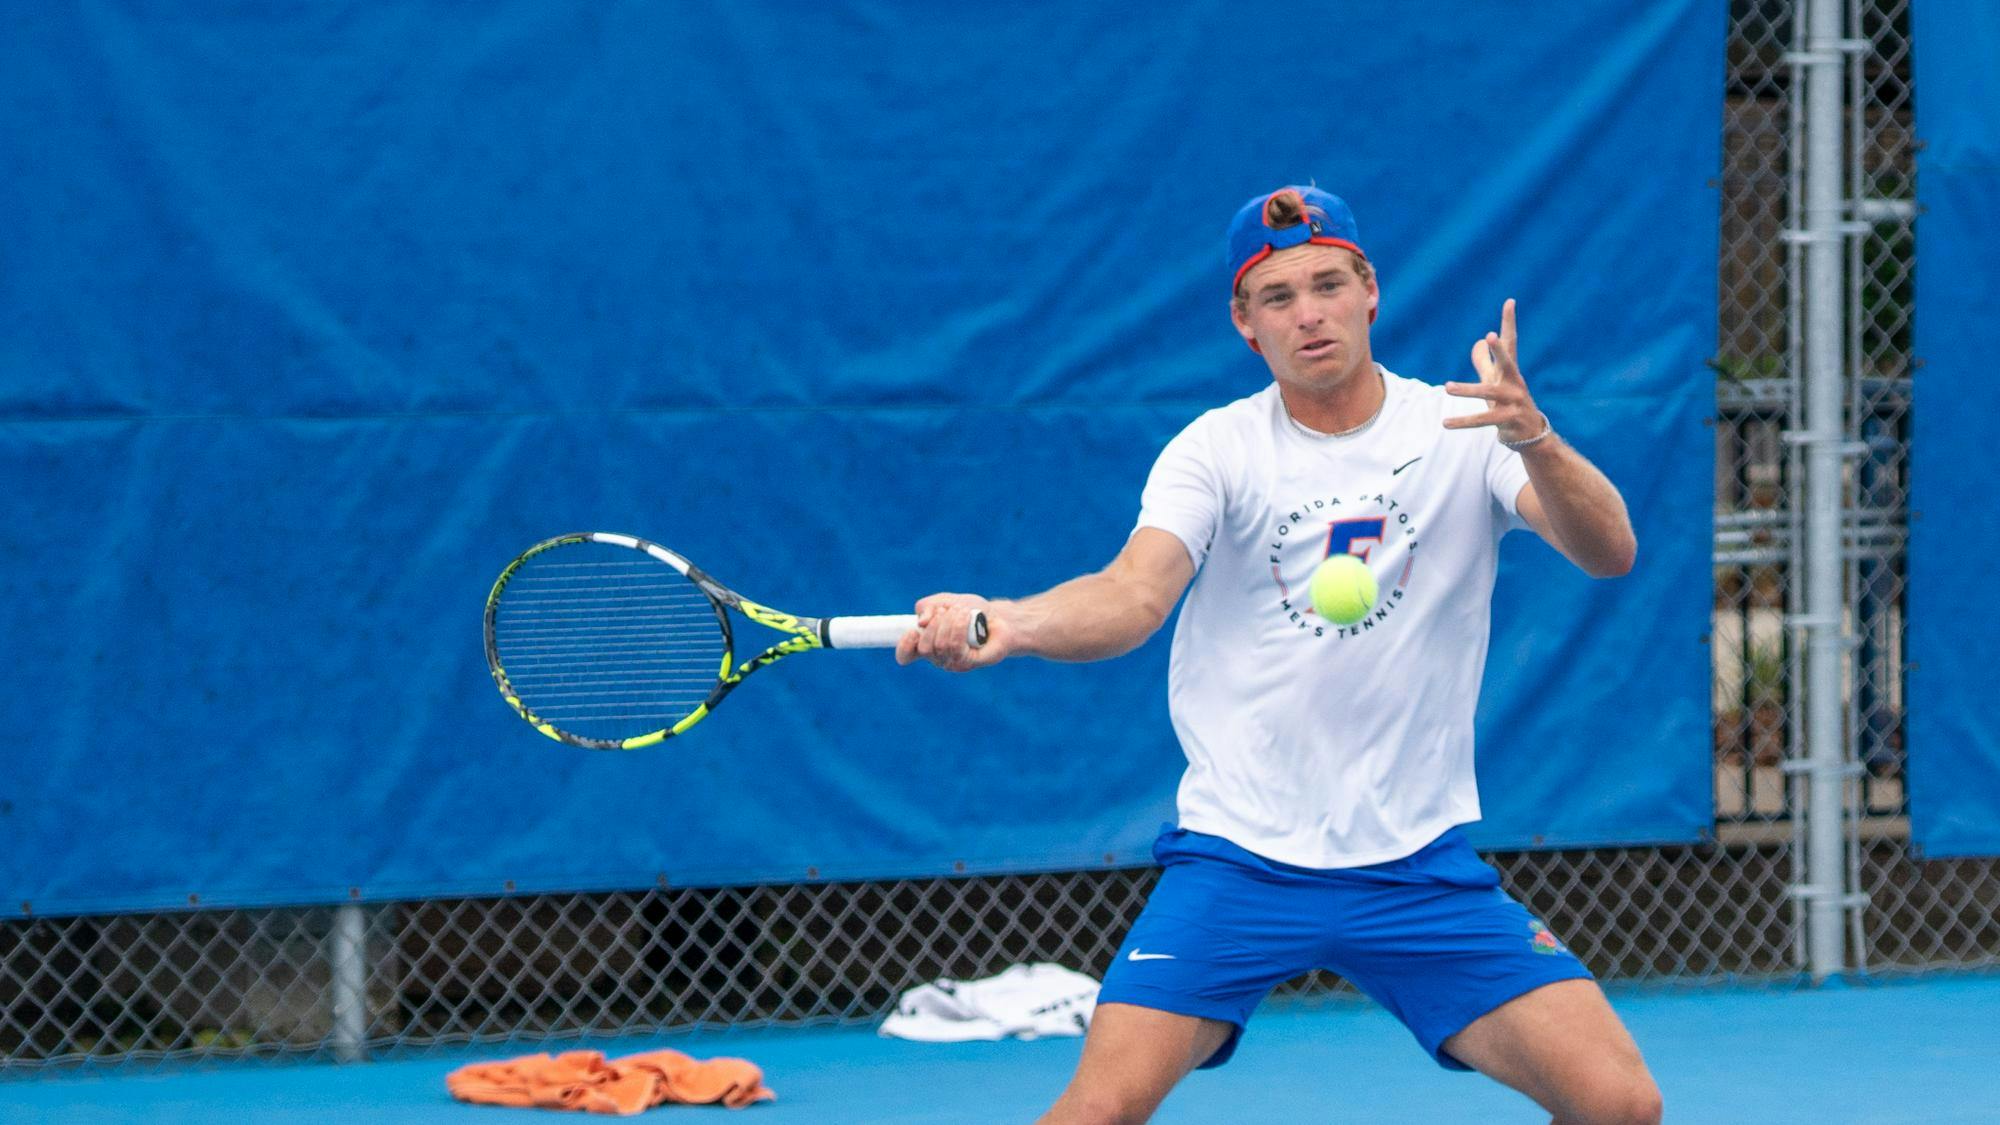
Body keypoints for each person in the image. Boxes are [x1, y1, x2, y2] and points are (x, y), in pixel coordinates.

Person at [897, 185, 1659, 1125]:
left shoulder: (1465, 429)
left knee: (1620, 1102)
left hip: (1416, 867)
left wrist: (1534, 438)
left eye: (1328, 285)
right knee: (1095, 1111)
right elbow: (1134, 594)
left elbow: (1610, 550)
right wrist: (1008, 622)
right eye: (1279, 296)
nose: (1309, 314)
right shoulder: (1215, 449)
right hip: (1240, 862)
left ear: (1370, 291)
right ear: (1244, 322)